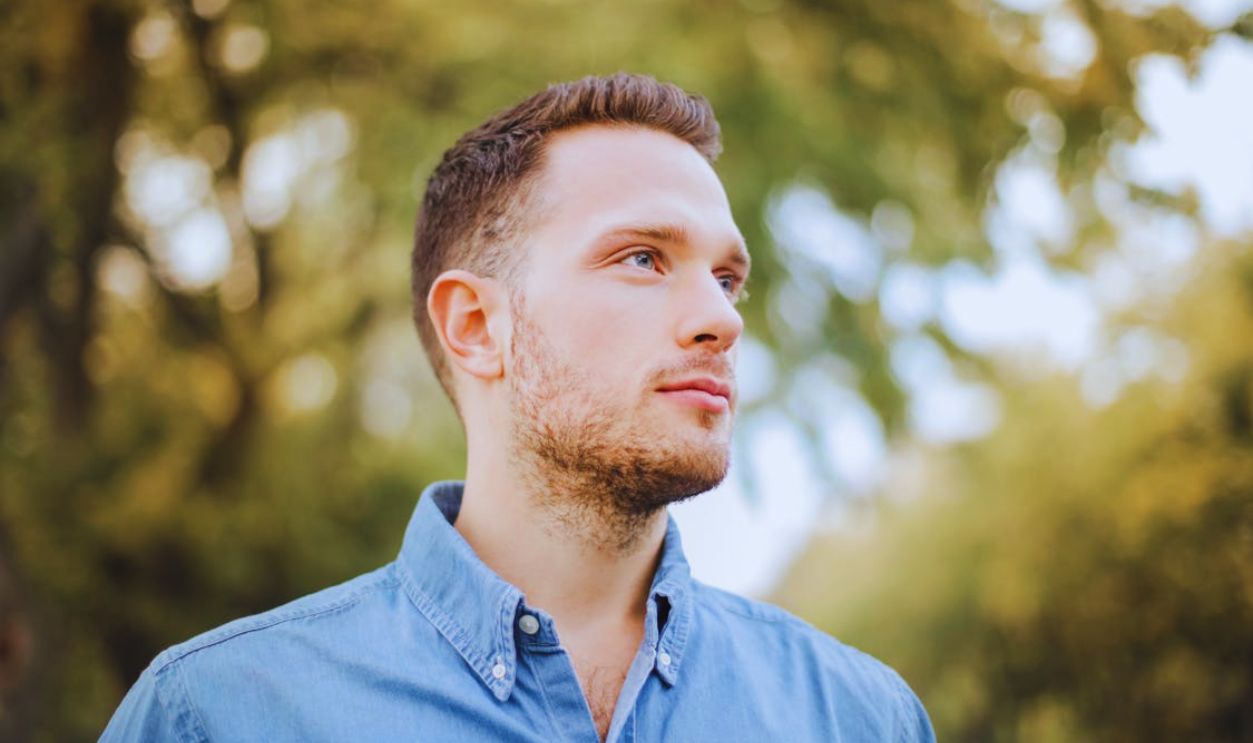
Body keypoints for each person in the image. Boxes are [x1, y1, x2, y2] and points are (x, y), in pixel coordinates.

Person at [102, 72, 935, 742]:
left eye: (726, 279)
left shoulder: (860, 717)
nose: (721, 317)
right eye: (643, 258)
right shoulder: (218, 715)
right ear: (475, 326)